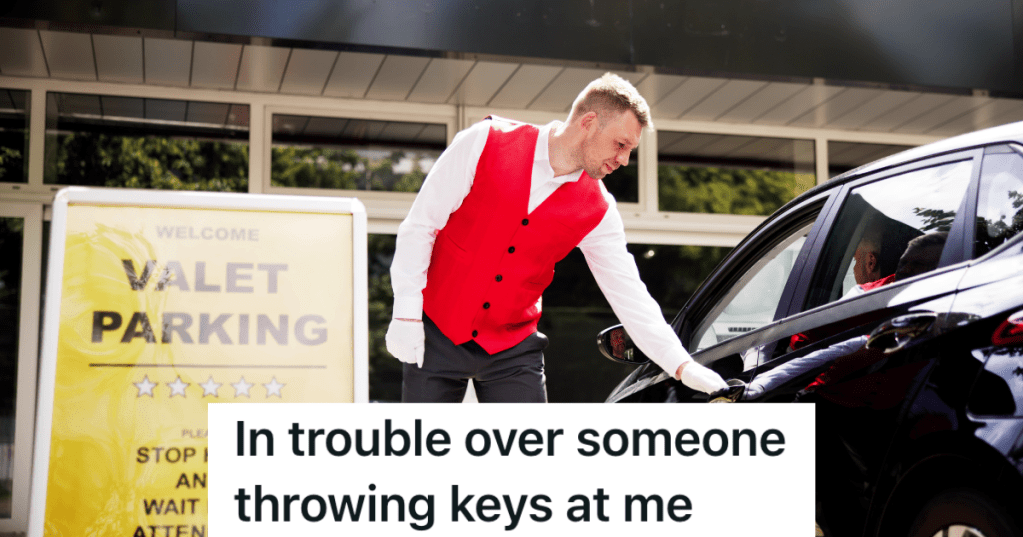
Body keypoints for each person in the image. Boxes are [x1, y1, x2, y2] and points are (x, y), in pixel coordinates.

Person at [385, 73, 728, 402]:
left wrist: (681, 366)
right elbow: (421, 226)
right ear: (589, 122)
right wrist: (406, 314)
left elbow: (628, 293)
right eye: (620, 144)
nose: (624, 160)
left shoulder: (599, 208)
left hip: (512, 349)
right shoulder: (484, 141)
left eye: (629, 150)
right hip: (436, 332)